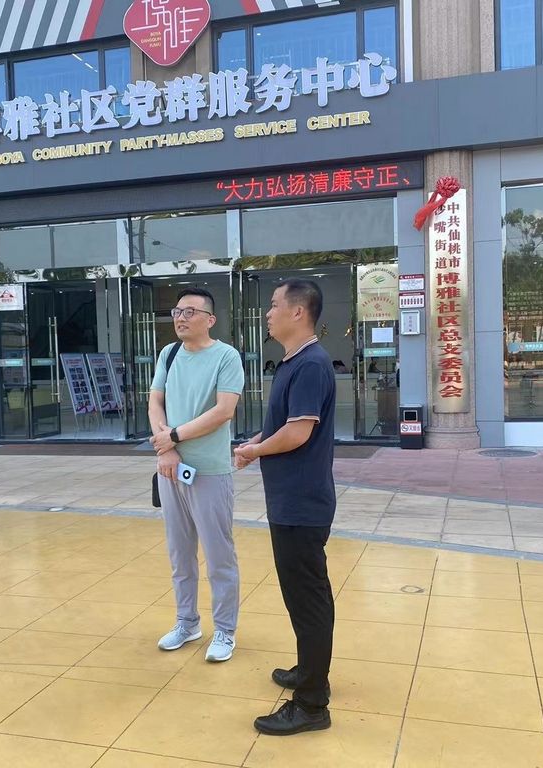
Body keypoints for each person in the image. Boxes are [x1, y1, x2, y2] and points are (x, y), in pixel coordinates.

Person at [234, 279, 336, 736]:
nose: (268, 313)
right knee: (302, 596)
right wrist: (255, 443)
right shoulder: (295, 362)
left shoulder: (311, 364)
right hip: (291, 500)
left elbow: (297, 434)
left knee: (308, 600)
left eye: (274, 305)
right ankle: (310, 672)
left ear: (298, 312)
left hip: (301, 503)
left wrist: (256, 452)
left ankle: (311, 704)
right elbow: (282, 424)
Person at [149, 288, 245, 662]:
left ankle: (225, 630)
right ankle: (187, 622)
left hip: (209, 471)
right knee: (180, 554)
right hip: (170, 469)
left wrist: (173, 436)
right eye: (177, 311)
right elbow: (155, 401)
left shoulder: (226, 356)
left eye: (190, 312)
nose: (181, 318)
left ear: (210, 319)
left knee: (219, 555)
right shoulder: (169, 354)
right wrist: (167, 449)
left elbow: (223, 411)